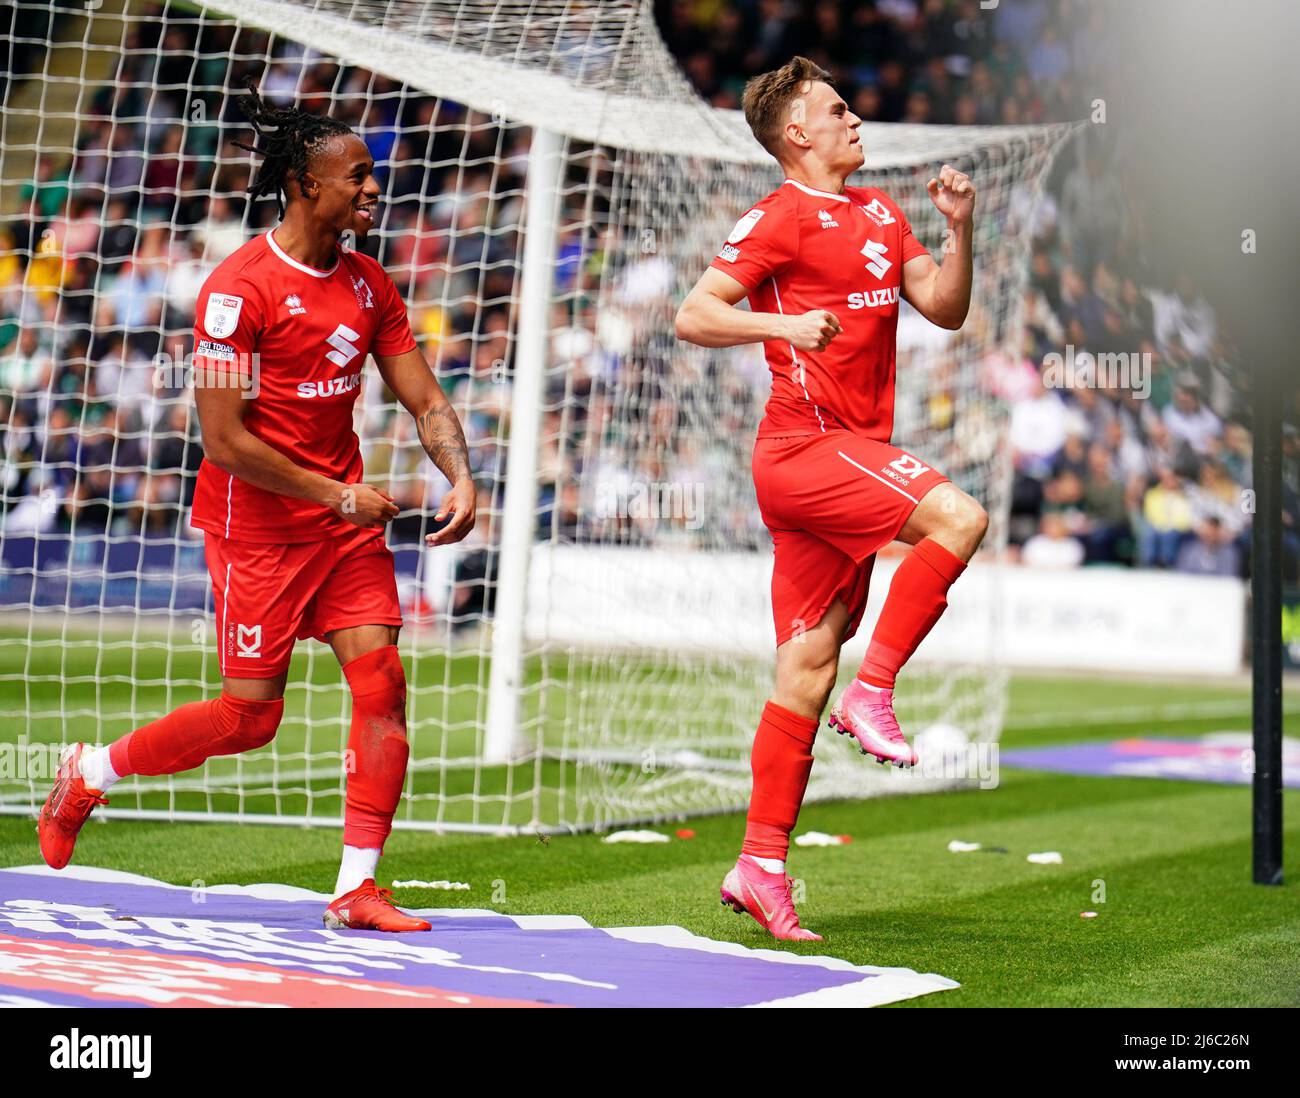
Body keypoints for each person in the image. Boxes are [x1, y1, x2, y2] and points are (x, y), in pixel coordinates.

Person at [37, 82, 477, 933]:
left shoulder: (369, 283)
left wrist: (460, 475)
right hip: (258, 530)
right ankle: (92, 771)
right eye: (358, 176)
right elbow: (226, 441)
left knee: (382, 683)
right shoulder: (236, 293)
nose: (373, 189)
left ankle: (356, 888)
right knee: (250, 720)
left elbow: (425, 399)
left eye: (372, 174)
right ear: (308, 185)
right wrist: (335, 493)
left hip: (342, 528)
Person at [675, 56, 985, 941]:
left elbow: (945, 307)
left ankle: (760, 866)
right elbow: (694, 315)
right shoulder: (777, 217)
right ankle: (877, 692)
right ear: (797, 134)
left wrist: (960, 231)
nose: (856, 118)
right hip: (804, 450)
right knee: (960, 517)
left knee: (805, 671)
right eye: (838, 108)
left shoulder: (883, 213)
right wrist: (780, 322)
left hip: (851, 455)